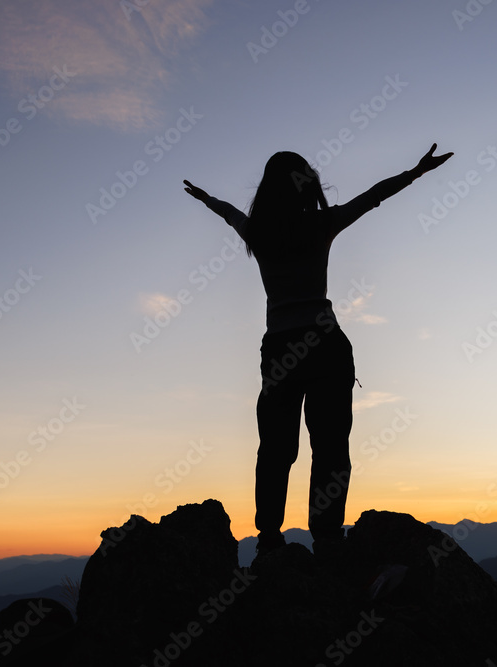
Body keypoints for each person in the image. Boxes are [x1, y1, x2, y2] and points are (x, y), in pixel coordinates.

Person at [183, 143, 452, 562]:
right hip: (325, 346)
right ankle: (327, 539)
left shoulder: (258, 231)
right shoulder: (321, 223)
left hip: (281, 350)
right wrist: (416, 172)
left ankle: (270, 540)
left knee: (275, 448)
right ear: (306, 184)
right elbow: (374, 196)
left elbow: (228, 212)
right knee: (330, 447)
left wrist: (205, 198)